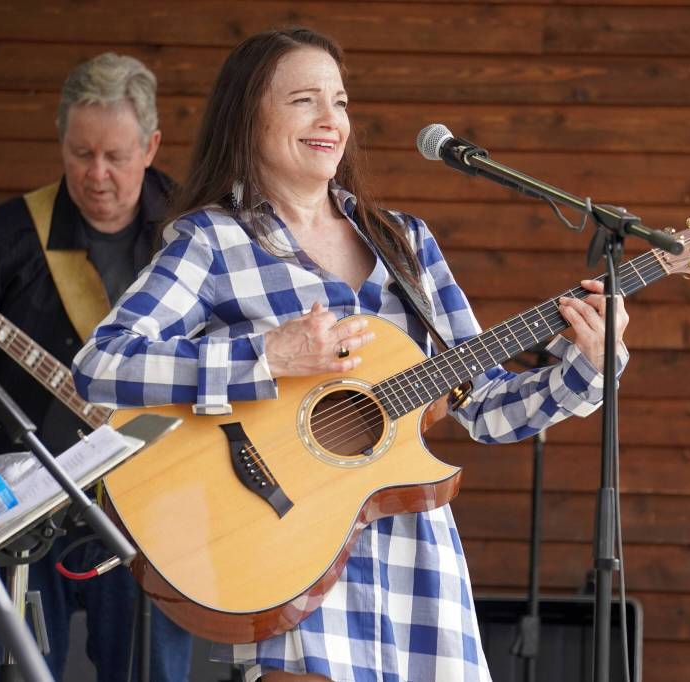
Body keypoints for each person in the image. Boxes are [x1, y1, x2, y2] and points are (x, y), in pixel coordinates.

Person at [71, 27, 629, 682]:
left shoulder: (405, 242)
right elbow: (104, 364)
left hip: (418, 566)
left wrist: (589, 364)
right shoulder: (213, 241)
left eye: (338, 102)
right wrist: (268, 355)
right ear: (250, 115)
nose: (329, 120)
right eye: (304, 100)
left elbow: (485, 408)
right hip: (292, 563)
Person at [0, 53, 192, 681]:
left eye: (115, 156)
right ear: (60, 142)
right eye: (79, 153)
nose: (95, 175)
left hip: (155, 499)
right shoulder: (9, 235)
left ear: (151, 146)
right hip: (28, 511)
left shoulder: (191, 230)